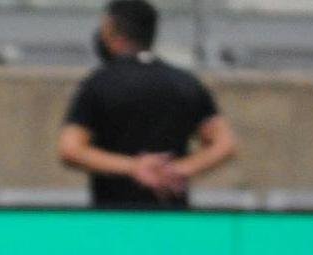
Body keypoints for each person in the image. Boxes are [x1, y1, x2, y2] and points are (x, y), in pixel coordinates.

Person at [57, 0, 237, 208]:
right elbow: (225, 144)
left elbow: (70, 149)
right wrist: (179, 169)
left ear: (112, 31)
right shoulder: (185, 82)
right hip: (173, 218)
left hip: (112, 219)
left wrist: (134, 167)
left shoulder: (98, 84)